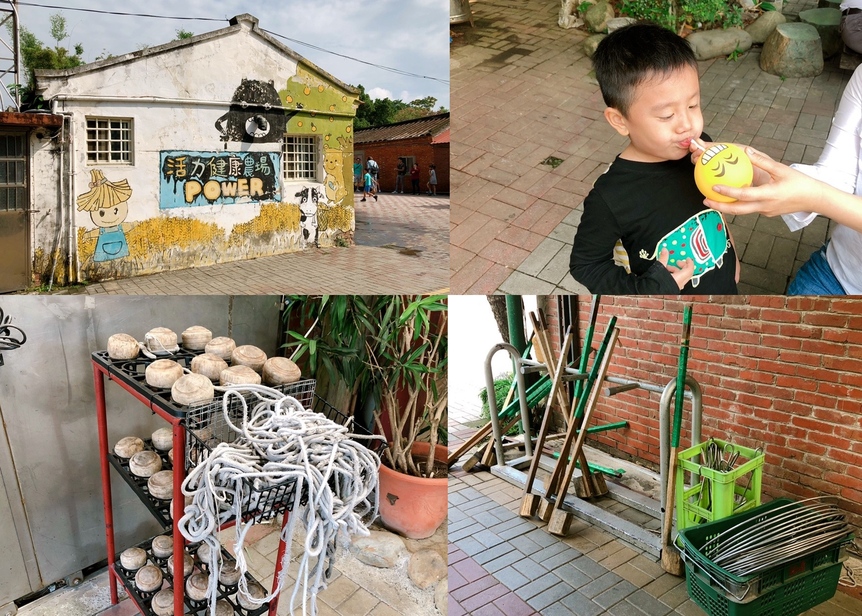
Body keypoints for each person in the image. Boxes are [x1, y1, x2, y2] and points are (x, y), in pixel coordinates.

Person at [569, 22, 739, 294]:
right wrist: (647, 289)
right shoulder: (610, 197)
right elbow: (586, 264)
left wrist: (731, 253)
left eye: (693, 105)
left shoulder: (700, 148)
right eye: (666, 115)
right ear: (620, 121)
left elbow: (713, 207)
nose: (687, 124)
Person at [699, 64, 862, 294]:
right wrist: (758, 169)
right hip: (837, 271)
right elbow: (837, 177)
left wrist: (816, 197)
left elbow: (821, 193)